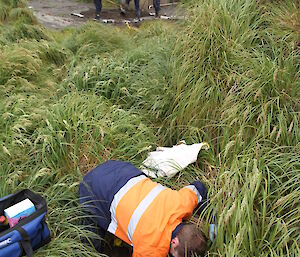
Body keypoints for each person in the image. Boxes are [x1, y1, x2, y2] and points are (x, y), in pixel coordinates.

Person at [79, 160, 209, 257]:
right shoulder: (151, 249)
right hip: (92, 188)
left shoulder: (181, 204)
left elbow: (199, 188)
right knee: (91, 240)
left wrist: (212, 223)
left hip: (119, 169)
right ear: (174, 243)